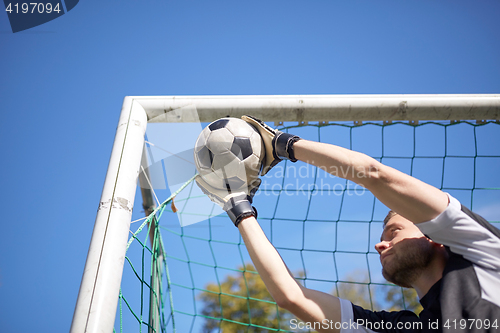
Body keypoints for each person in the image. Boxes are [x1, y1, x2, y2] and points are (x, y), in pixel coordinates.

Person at [196, 115, 500, 333]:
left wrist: (281, 144)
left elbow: (372, 173)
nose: (381, 244)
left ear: (435, 234)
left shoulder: (485, 251)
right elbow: (291, 296)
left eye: (394, 232)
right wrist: (237, 206)